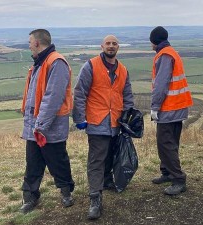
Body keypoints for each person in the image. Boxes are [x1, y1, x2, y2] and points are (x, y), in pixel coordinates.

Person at [73, 35, 134, 220]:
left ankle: (107, 182)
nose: (111, 46)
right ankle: (95, 198)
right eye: (108, 43)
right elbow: (80, 92)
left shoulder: (123, 70)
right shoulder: (90, 66)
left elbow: (127, 95)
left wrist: (128, 118)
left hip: (116, 123)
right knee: (96, 160)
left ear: (118, 47)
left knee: (111, 156)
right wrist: (80, 117)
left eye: (114, 43)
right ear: (102, 46)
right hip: (97, 121)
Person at [20, 29, 75, 213]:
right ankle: (30, 197)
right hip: (34, 126)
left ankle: (66, 192)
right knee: (33, 163)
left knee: (57, 160)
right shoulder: (39, 63)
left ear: (37, 43)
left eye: (30, 42)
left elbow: (53, 97)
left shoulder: (56, 62)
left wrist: (41, 125)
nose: (29, 46)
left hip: (49, 126)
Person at [149, 26, 193, 195]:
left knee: (165, 144)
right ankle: (167, 172)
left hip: (169, 108)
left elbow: (161, 84)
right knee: (170, 142)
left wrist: (154, 107)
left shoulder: (164, 55)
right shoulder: (170, 52)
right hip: (177, 106)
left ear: (154, 41)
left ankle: (178, 179)